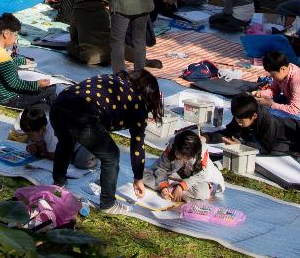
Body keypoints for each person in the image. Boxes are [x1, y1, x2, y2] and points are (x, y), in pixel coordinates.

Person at [50, 69, 164, 213]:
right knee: (111, 155)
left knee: (65, 142)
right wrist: (138, 178)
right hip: (83, 115)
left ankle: (58, 183)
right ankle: (108, 204)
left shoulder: (110, 79)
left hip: (59, 104)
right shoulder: (137, 102)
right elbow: (137, 146)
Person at [207, 93, 300, 156]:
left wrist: (242, 146)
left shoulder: (267, 122)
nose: (238, 123)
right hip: (297, 125)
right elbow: (228, 132)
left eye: (241, 120)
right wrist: (207, 138)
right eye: (236, 119)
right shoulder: (244, 116)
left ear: (254, 116)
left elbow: (268, 148)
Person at [0, 13, 55, 109]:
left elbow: (6, 66)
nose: (16, 39)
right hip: (11, 100)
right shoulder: (1, 56)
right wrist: (37, 84)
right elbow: (15, 83)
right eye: (15, 35)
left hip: (1, 97)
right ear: (6, 34)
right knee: (51, 88)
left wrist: (21, 60)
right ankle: (54, 105)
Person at [146, 127, 225, 202]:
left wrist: (182, 186)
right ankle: (169, 187)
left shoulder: (201, 153)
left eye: (186, 158)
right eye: (179, 156)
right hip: (173, 174)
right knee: (143, 176)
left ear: (193, 155)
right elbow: (161, 168)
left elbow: (201, 175)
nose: (181, 160)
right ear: (175, 148)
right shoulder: (172, 146)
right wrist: (163, 186)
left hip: (191, 178)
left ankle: (174, 188)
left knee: (202, 193)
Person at [20, 103, 96, 171]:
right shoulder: (39, 127)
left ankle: (95, 154)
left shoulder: (51, 132)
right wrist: (31, 144)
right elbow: (34, 140)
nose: (29, 137)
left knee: (81, 162)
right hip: (69, 142)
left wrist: (42, 151)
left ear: (41, 130)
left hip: (85, 142)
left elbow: (54, 156)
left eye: (30, 135)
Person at [255, 51, 300, 115]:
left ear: (282, 69)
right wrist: (260, 94)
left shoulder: (298, 80)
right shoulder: (282, 73)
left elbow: (294, 110)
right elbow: (274, 90)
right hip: (290, 101)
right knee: (264, 105)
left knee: (271, 115)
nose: (270, 76)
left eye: (273, 74)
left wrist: (270, 104)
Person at [67, 0, 112, 66]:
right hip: (108, 56)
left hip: (88, 57)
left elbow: (73, 35)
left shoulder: (77, 11)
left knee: (69, 45)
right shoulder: (105, 12)